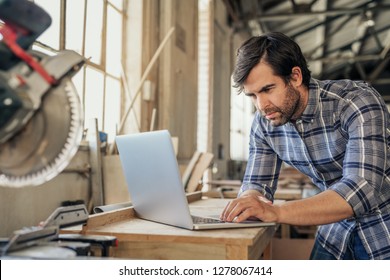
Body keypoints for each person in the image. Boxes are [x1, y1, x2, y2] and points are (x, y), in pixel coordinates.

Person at [220, 32, 390, 260]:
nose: (261, 106)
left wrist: (276, 212)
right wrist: (251, 200)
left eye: (268, 89)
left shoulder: (356, 103)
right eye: (252, 96)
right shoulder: (265, 123)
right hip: (334, 230)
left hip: (382, 227)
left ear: (296, 77)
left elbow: (360, 189)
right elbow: (256, 184)